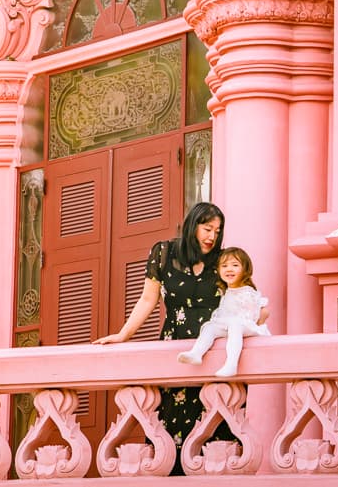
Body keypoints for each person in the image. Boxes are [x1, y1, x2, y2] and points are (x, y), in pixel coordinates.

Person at [93, 201, 228, 473]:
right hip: (174, 354)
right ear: (192, 225)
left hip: (214, 354)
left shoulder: (225, 260)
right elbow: (147, 299)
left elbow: (242, 300)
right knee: (169, 430)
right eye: (207, 228)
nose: (212, 236)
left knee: (216, 439)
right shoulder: (164, 253)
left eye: (217, 230)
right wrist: (123, 334)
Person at [177, 247, 270, 377]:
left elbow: (258, 313)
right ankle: (197, 353)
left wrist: (256, 319)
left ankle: (231, 364)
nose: (229, 269)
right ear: (219, 271)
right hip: (232, 326)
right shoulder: (226, 292)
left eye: (235, 265)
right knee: (210, 327)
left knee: (235, 325)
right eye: (224, 266)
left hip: (247, 325)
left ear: (245, 270)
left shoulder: (247, 291)